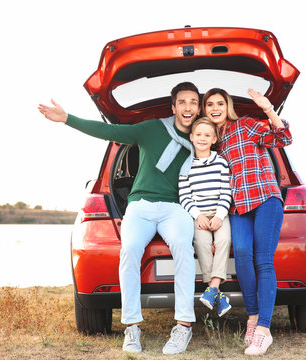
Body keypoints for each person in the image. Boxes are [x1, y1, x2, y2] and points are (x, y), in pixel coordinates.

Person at [38, 82, 200, 355]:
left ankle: (183, 326)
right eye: (182, 102)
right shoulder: (151, 128)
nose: (187, 107)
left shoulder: (204, 136)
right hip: (140, 205)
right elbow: (110, 131)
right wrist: (67, 119)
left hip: (176, 207)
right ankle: (132, 328)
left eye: (193, 102)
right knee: (130, 251)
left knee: (184, 248)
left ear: (198, 107)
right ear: (173, 107)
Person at [202, 88, 292, 356]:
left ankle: (263, 330)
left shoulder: (246, 125)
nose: (215, 108)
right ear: (205, 110)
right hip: (238, 206)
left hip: (265, 198)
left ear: (227, 105)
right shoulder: (212, 142)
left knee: (263, 260)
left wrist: (268, 109)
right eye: (210, 104)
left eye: (220, 103)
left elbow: (284, 137)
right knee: (241, 254)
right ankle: (253, 317)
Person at [178, 117, 232, 317]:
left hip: (219, 212)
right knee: (201, 243)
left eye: (207, 135)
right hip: (199, 214)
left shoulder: (220, 162)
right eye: (198, 134)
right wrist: (197, 215)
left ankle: (213, 287)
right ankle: (217, 293)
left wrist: (219, 216)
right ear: (191, 137)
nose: (202, 138)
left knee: (224, 239)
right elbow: (184, 195)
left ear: (214, 139)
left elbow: (226, 193)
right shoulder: (186, 165)